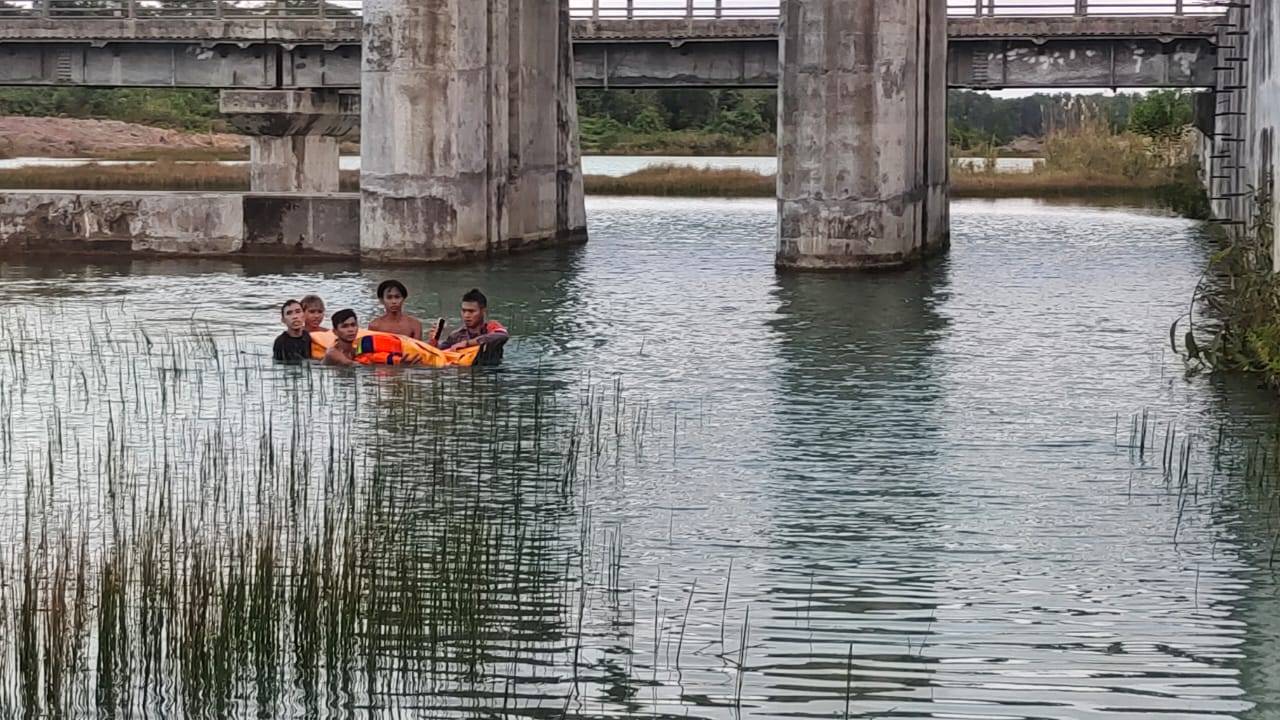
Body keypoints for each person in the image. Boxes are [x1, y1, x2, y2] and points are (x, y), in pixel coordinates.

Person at [437, 288, 509, 366]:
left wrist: (468, 343)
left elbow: (503, 335)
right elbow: (439, 354)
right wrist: (434, 341)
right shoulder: (456, 335)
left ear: (483, 311)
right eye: (464, 311)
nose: (466, 315)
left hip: (493, 372)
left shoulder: (491, 327)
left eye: (471, 311)